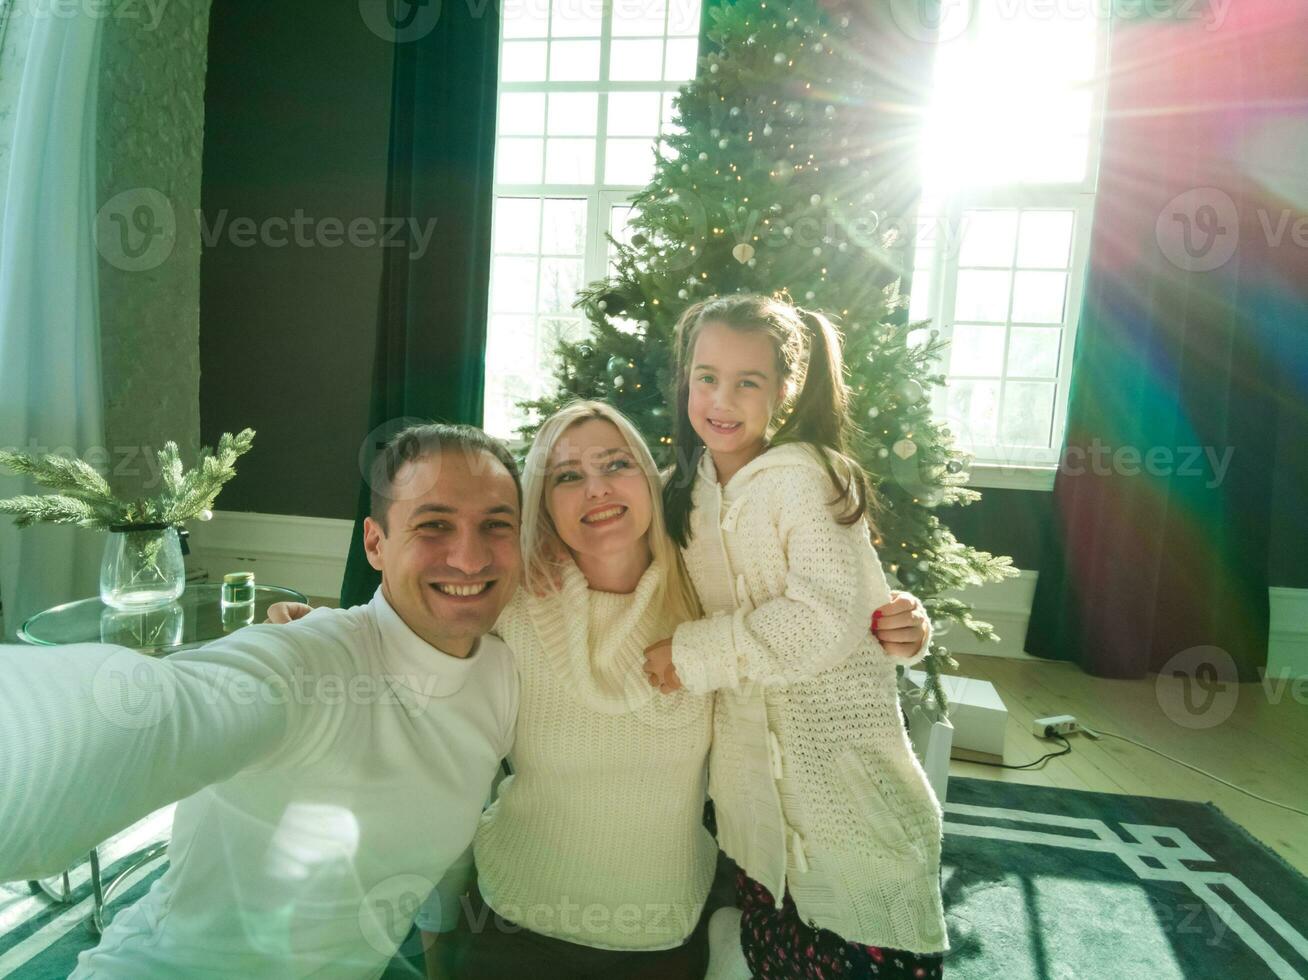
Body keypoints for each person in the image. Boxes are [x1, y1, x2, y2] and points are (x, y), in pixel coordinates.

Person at [269, 405, 932, 980]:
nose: (596, 488)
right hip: (513, 921)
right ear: (542, 500)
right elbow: (416, 622)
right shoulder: (516, 599)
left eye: (615, 464)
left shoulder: (707, 601)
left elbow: (808, 623)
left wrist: (897, 621)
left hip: (666, 931)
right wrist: (329, 631)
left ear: (647, 478)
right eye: (566, 475)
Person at [0, 424, 523, 979]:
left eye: (495, 526)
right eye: (434, 525)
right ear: (375, 543)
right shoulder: (309, 661)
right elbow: (155, 713)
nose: (469, 558)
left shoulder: (501, 675)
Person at [643, 293, 949, 979]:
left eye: (748, 382)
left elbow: (826, 615)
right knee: (776, 932)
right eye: (706, 376)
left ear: (785, 389)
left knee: (869, 940)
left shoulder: (808, 479)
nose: (722, 399)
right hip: (754, 805)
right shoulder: (679, 492)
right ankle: (738, 944)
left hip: (848, 788)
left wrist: (693, 655)